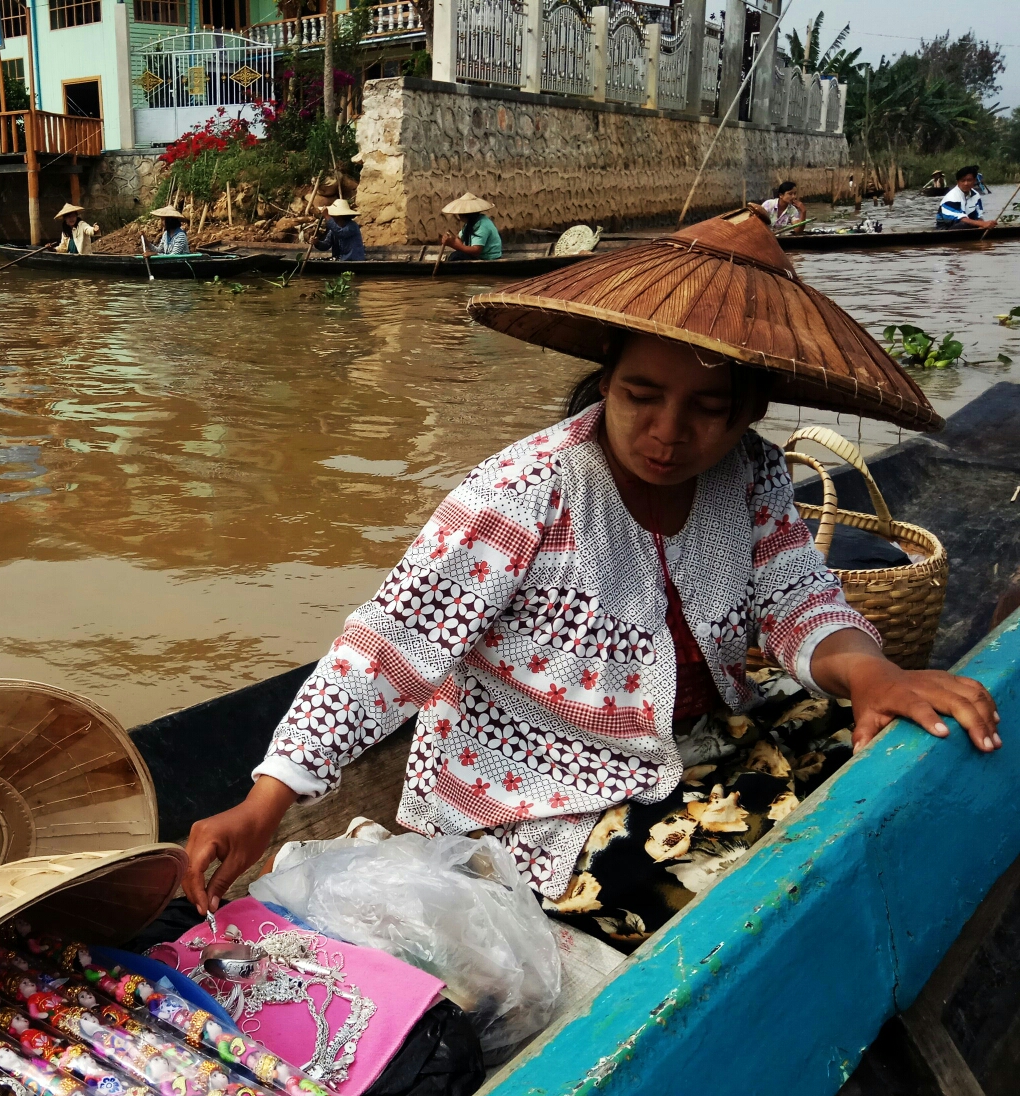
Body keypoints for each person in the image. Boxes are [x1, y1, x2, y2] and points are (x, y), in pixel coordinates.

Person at [182, 208, 999, 945]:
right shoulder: (523, 494)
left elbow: (795, 598)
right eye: (642, 395)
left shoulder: (750, 473)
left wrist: (870, 672)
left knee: (898, 754)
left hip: (691, 741)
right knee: (741, 889)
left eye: (707, 410)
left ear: (748, 413)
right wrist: (267, 800)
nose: (668, 433)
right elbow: (390, 647)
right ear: (606, 379)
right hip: (540, 797)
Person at [439, 192, 502, 261]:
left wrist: (454, 244)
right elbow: (459, 238)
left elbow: (476, 250)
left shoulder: (482, 224)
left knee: (456, 256)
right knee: (455, 255)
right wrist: (450, 239)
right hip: (478, 256)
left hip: (488, 258)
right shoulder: (470, 223)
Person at [938, 166, 995, 231]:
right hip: (946, 228)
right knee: (964, 224)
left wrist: (984, 224)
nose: (966, 183)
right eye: (963, 180)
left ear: (974, 181)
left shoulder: (976, 195)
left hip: (968, 225)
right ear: (958, 182)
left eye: (969, 180)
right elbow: (959, 219)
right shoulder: (951, 197)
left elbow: (979, 216)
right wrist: (982, 224)